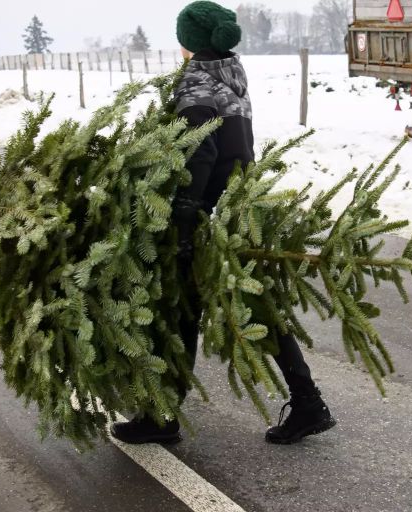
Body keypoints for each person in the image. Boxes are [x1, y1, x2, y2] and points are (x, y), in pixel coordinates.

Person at [111, 1, 337, 446]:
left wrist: (182, 221)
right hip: (236, 210)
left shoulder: (195, 87)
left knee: (180, 311)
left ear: (189, 43)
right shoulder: (231, 78)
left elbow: (201, 153)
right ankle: (307, 402)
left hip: (206, 216)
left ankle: (161, 417)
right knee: (258, 308)